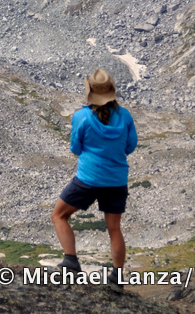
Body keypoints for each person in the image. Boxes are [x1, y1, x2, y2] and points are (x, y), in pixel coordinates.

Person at [50, 68, 138, 287]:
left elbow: (75, 148)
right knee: (114, 228)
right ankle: (117, 277)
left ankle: (71, 260)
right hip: (117, 180)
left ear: (90, 92)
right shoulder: (125, 116)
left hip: (88, 178)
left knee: (59, 215)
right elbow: (131, 145)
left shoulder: (82, 116)